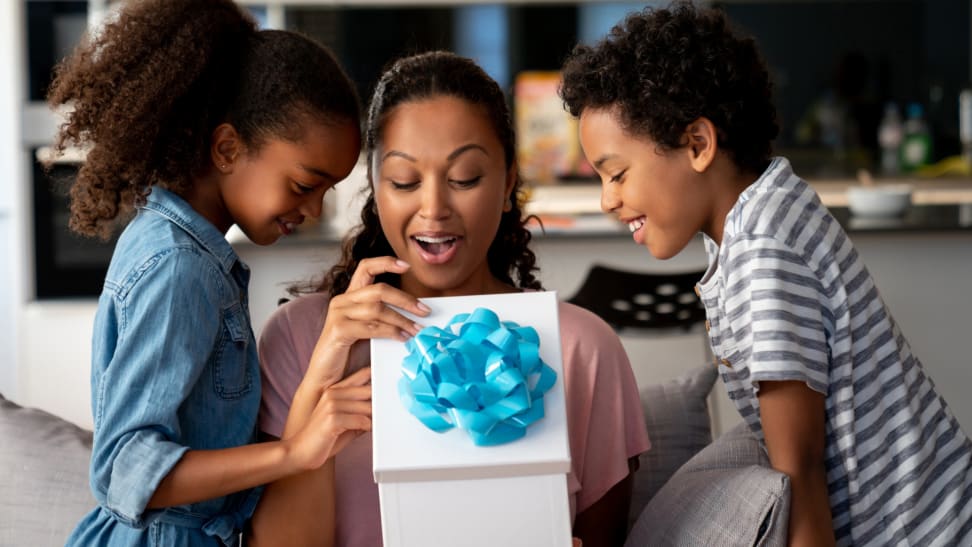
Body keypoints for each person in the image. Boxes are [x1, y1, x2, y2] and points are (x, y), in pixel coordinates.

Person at [559, 3, 972, 546]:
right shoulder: (769, 211)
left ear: (698, 145)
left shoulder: (764, 255)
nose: (609, 200)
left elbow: (798, 475)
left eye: (617, 174)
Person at [253, 51, 650, 547]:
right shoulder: (299, 337)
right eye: (404, 181)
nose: (434, 208)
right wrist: (321, 377)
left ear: (507, 185)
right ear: (376, 189)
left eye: (465, 179)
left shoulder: (582, 349)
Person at [47, 1, 369, 545]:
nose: (313, 210)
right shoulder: (180, 267)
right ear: (226, 147)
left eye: (326, 191)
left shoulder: (183, 248)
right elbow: (125, 470)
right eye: (302, 184)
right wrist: (293, 453)